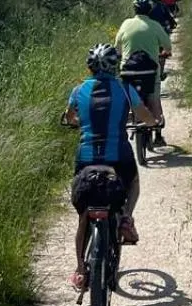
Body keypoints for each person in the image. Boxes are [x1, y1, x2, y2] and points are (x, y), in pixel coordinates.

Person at [65, 42, 156, 292]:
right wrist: (153, 121)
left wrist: (79, 122)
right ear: (115, 66)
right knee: (134, 183)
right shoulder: (125, 89)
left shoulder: (78, 90)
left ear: (89, 67)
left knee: (84, 214)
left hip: (86, 159)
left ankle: (80, 270)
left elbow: (70, 118)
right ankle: (125, 218)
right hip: (119, 159)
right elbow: (143, 114)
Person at [116, 0, 172, 146]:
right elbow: (168, 46)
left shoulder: (126, 24)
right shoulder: (154, 25)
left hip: (128, 71)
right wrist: (165, 53)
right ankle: (158, 133)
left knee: (126, 98)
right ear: (149, 10)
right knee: (154, 98)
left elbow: (117, 47)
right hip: (150, 71)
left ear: (134, 10)